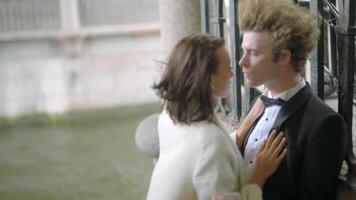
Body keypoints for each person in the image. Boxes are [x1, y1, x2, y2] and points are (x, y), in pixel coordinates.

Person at [146, 33, 287, 200]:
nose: (232, 75)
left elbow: (203, 151)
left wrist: (247, 124)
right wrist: (260, 173)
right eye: (227, 68)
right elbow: (209, 149)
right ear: (209, 79)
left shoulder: (170, 115)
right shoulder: (209, 142)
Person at [233, 0, 348, 199]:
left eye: (254, 53)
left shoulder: (325, 123)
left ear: (284, 57)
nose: (242, 61)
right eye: (244, 51)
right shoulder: (256, 107)